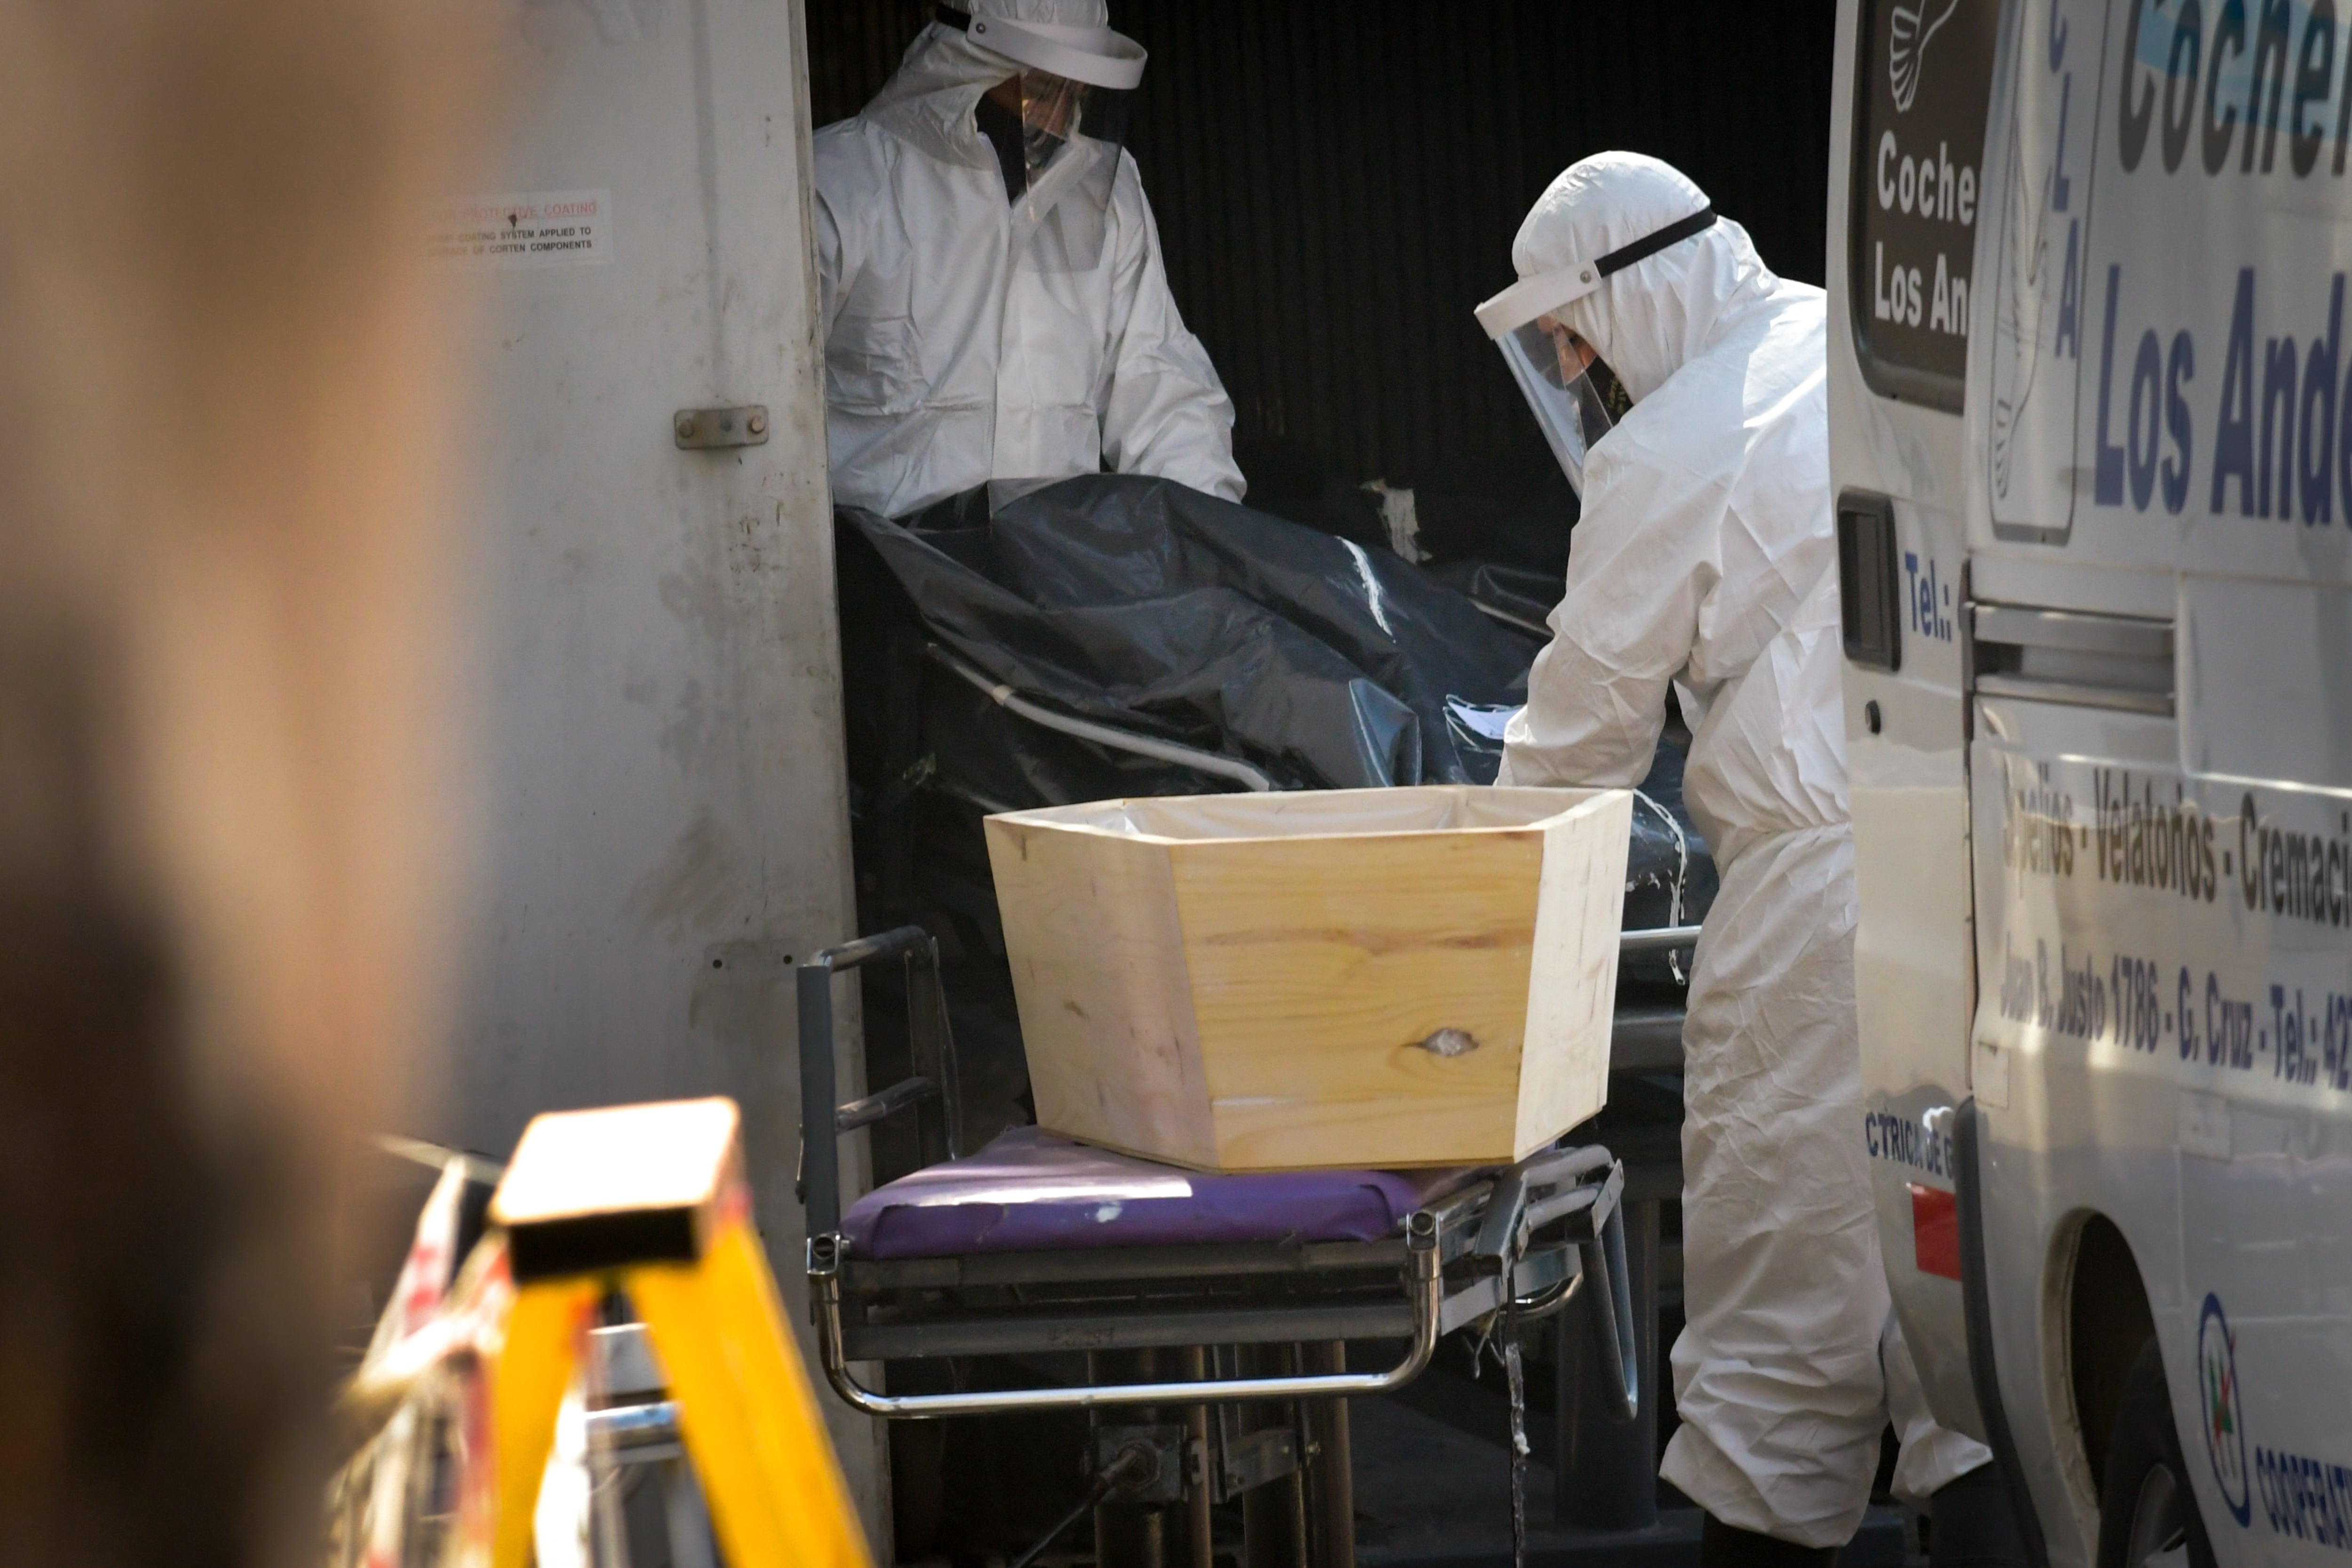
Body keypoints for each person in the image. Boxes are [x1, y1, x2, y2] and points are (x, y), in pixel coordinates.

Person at [1477, 152, 2025, 1568]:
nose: (1573, 365)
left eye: (1571, 334)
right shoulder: (1874, 349)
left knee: (1775, 1342)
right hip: (1987, 875)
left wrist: (1452, 925)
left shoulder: (1663, 453)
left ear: (1627, 294)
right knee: (1964, 1343)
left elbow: (1575, 746)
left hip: (1816, 922)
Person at [812, 0, 1243, 519]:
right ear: (961, 68)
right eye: (1038, 91)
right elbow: (762, 410)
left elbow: (1162, 388)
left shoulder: (1107, 191)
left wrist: (1205, 544)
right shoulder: (837, 185)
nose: (1058, 120)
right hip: (881, 586)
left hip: (1054, 580)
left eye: (1076, 92)